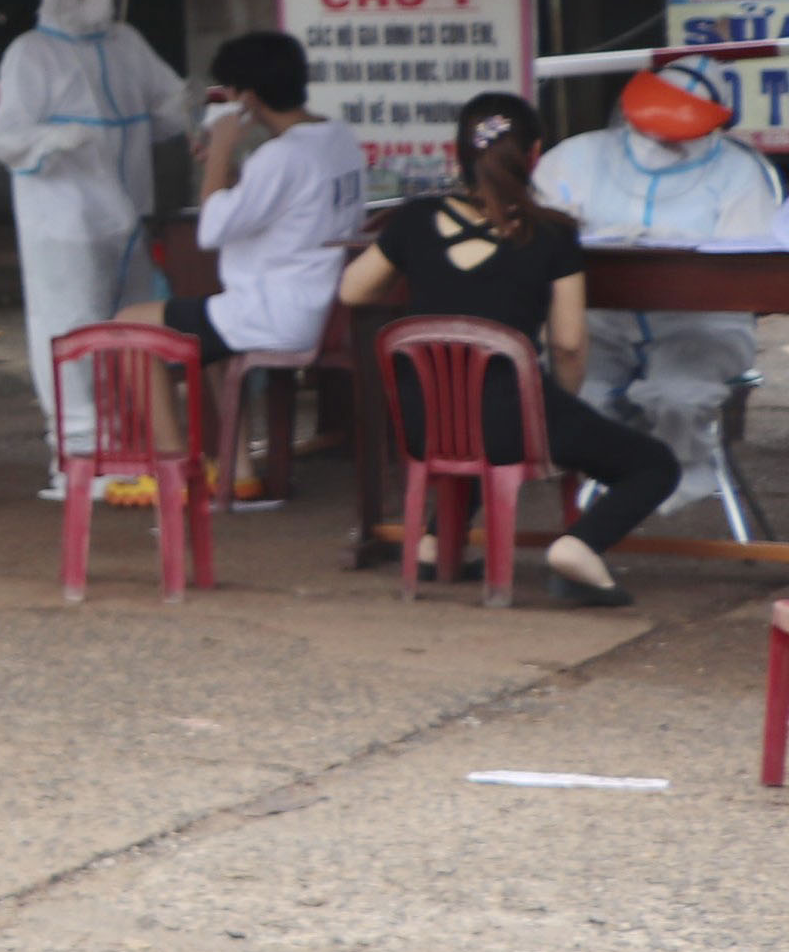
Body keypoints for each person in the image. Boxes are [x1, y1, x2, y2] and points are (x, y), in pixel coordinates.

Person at [338, 92, 680, 605]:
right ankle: (580, 546)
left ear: (457, 154)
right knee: (654, 464)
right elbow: (567, 344)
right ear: (535, 154)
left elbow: (351, 291)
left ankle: (434, 544)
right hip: (510, 419)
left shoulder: (413, 220)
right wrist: (560, 412)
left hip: (424, 421)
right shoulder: (552, 234)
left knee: (474, 415)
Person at [0, 0, 194, 493]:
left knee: (130, 325)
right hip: (65, 222)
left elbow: (170, 100)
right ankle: (77, 454)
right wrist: (56, 139)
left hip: (127, 213)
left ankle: (131, 444)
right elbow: (7, 139)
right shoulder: (31, 52)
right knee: (70, 330)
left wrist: (185, 110)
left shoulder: (126, 42)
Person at [114, 30, 364, 494]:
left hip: (277, 312)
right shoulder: (336, 137)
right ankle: (241, 471)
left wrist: (222, 151)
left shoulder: (282, 155)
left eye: (227, 95)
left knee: (130, 326)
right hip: (317, 304)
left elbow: (211, 231)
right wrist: (222, 169)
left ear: (246, 99)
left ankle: (172, 473)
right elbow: (257, 210)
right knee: (209, 334)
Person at [530, 56, 778, 517]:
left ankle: (671, 481)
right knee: (579, 400)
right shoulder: (577, 158)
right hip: (598, 325)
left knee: (678, 397)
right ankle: (602, 512)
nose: (660, 137)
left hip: (700, 328)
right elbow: (538, 225)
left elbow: (751, 269)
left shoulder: (740, 174)